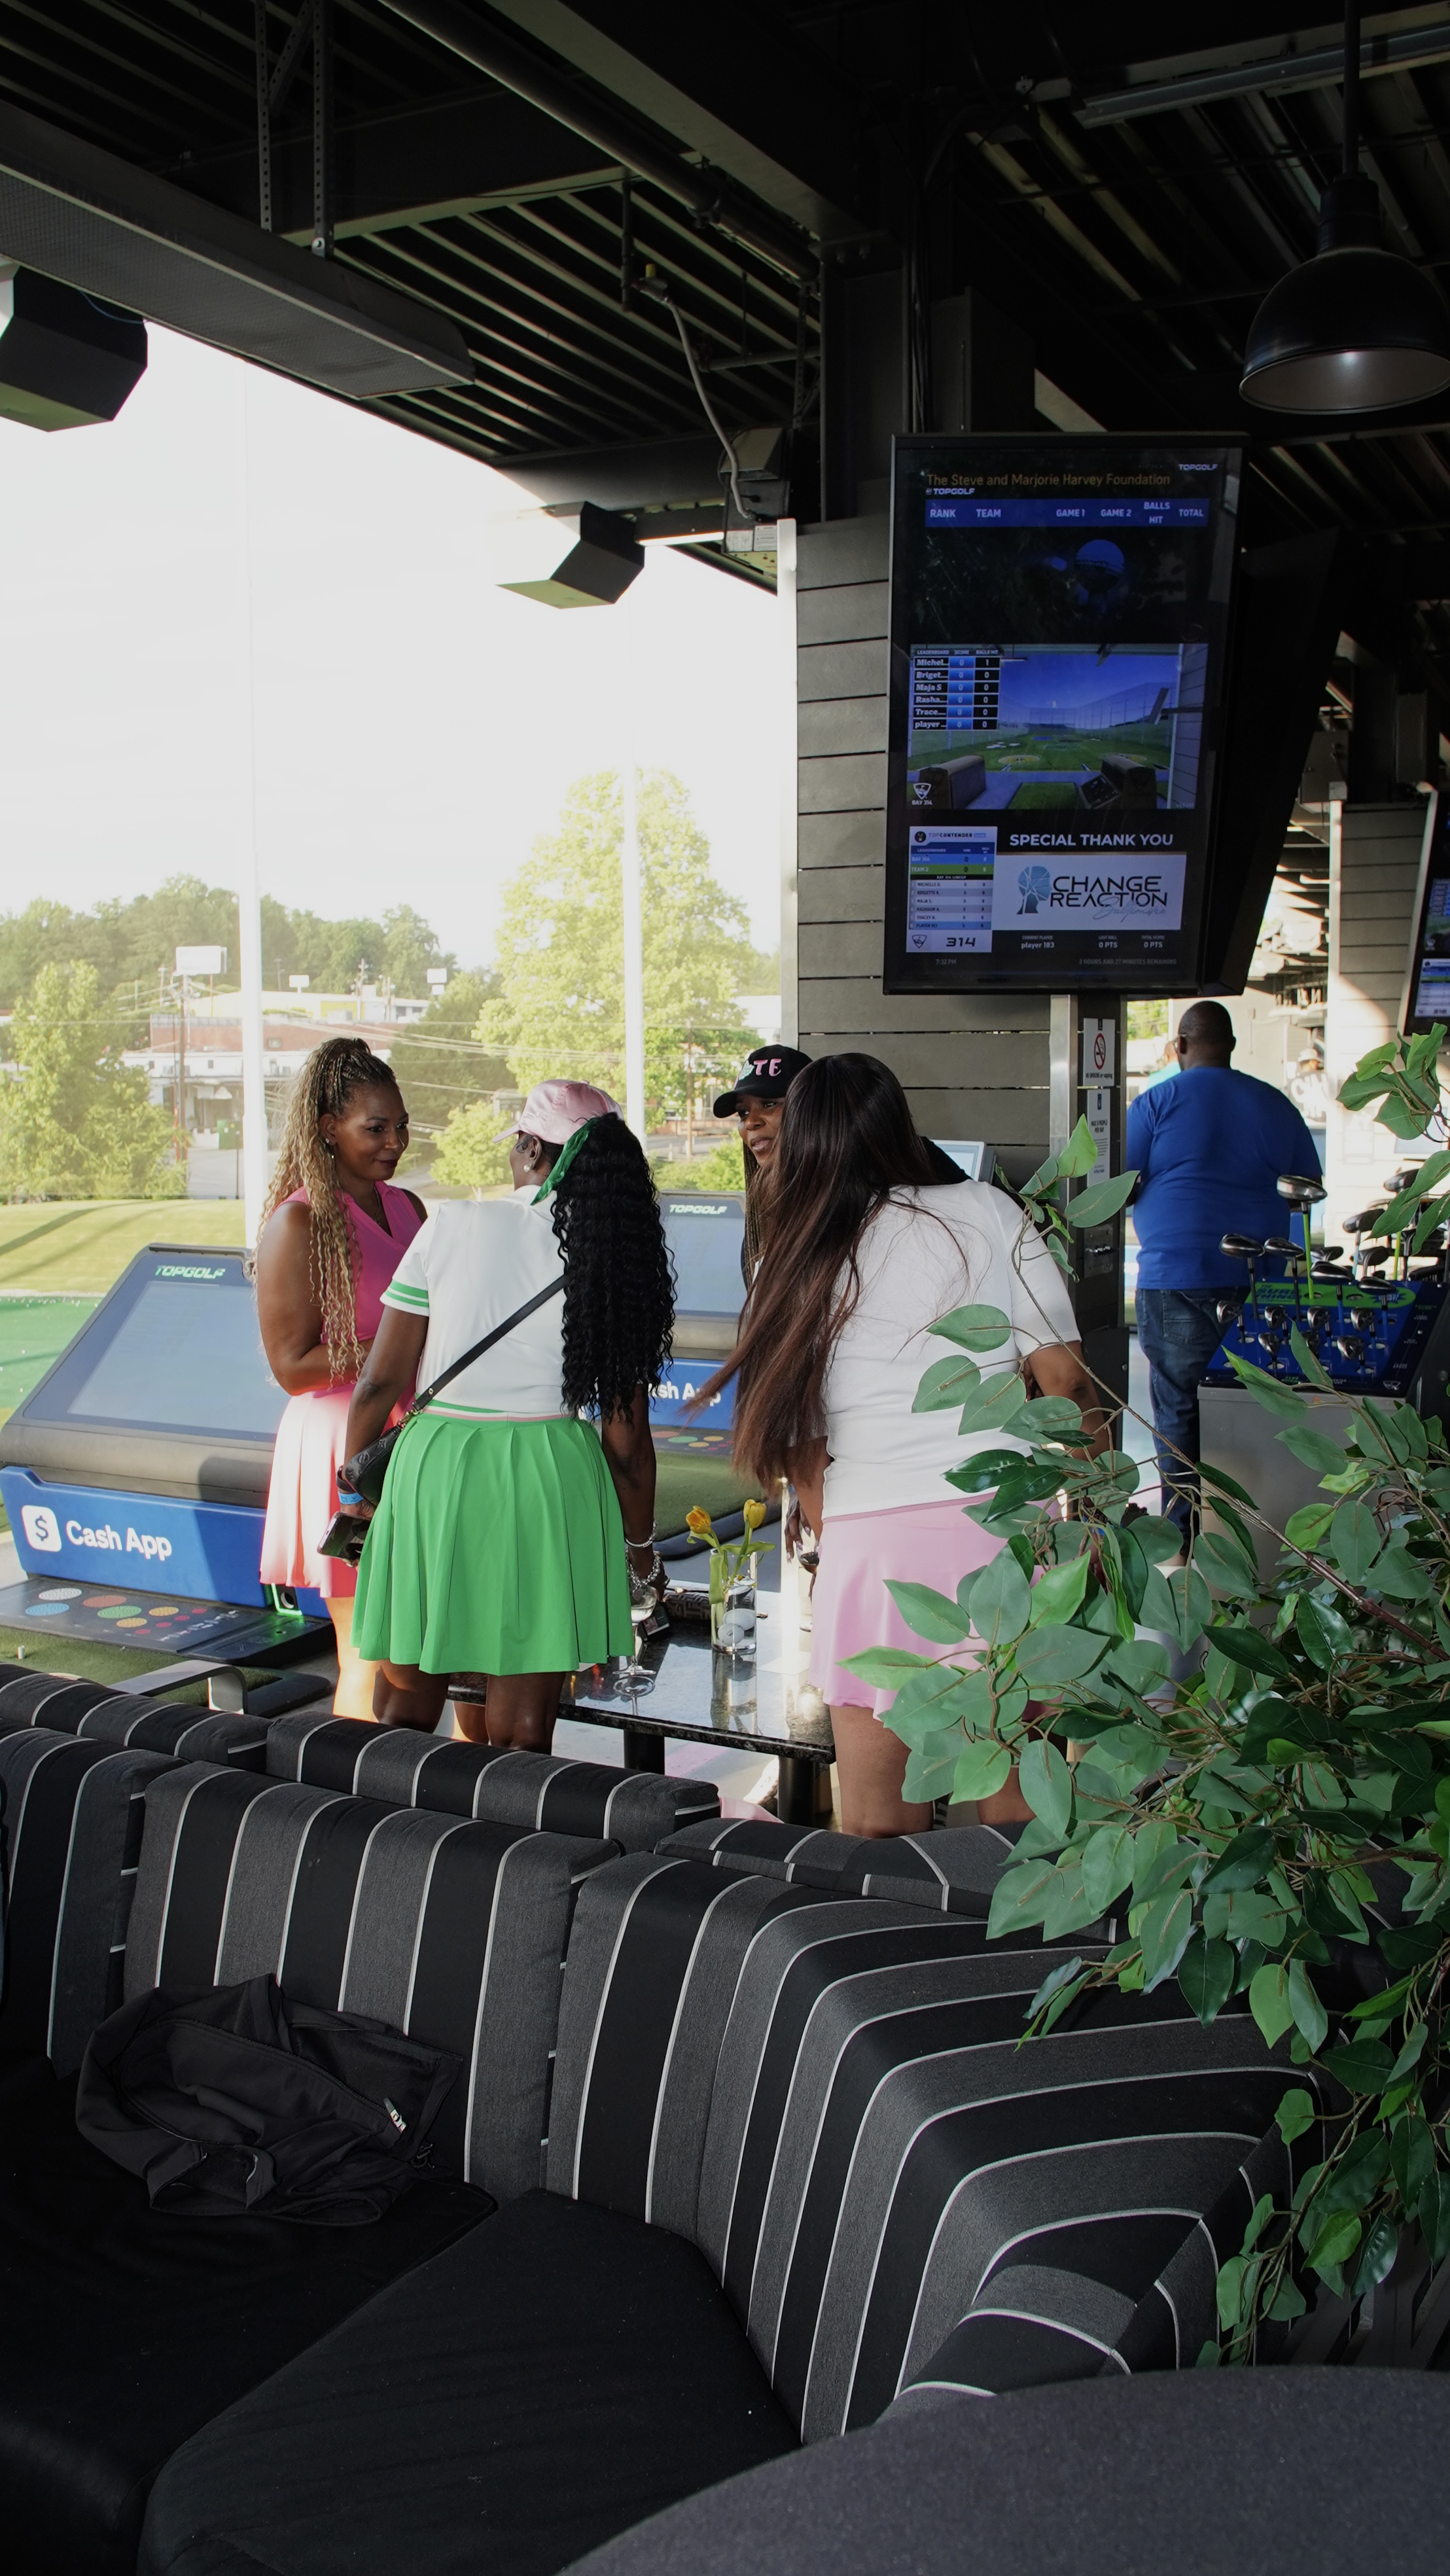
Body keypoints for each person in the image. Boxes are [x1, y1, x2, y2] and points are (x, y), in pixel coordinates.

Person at [706, 1052, 1104, 1838]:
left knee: (874, 1833)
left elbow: (800, 1446)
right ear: (897, 1123)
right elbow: (1065, 1384)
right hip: (1002, 1537)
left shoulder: (788, 1252)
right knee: (1014, 1820)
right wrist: (1089, 1517)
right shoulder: (988, 1212)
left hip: (870, 1551)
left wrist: (841, 1539)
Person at [340, 1079, 673, 1747]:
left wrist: (358, 1492)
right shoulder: (616, 1258)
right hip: (548, 1476)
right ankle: (512, 1846)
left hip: (435, 1464)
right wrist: (640, 1556)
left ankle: (392, 1841)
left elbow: (379, 1383)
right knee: (522, 1728)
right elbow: (627, 1443)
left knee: (404, 1695)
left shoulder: (453, 1225)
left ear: (527, 1147)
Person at [256, 1037, 427, 1717]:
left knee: (419, 1650)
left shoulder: (410, 1207)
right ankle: (348, 1814)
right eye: (376, 1128)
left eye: (402, 1126)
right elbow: (291, 1368)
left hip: (410, 1436)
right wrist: (391, 1347)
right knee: (367, 1652)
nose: (395, 1141)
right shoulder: (297, 1221)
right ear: (329, 1128)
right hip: (339, 1445)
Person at [1127, 998, 1322, 1538]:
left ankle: (1185, 1537)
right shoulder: (1274, 1105)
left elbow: (1118, 1184)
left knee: (1180, 1414)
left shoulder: (1156, 1103)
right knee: (1256, 1406)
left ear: (1181, 1046)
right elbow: (1307, 1185)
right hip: (1260, 1284)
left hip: (1175, 1279)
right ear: (1232, 1046)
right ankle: (1262, 1536)